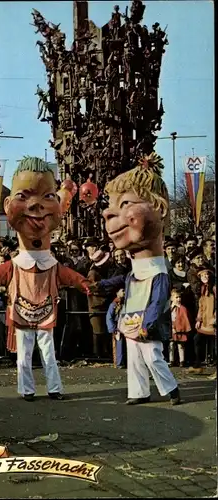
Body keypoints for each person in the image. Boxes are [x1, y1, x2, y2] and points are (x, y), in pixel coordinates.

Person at [0, 156, 92, 401]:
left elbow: (70, 276)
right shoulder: (14, 265)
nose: (36, 205)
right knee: (24, 354)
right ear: (9, 205)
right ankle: (28, 390)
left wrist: (84, 283)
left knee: (48, 353)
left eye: (47, 196)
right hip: (21, 312)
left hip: (45, 312)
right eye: (24, 196)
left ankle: (53, 389)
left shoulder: (51, 265)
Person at [95, 152, 181, 405]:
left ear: (159, 208)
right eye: (111, 205)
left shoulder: (159, 273)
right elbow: (123, 280)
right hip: (131, 319)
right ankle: (138, 392)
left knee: (153, 355)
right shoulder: (134, 271)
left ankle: (171, 389)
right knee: (133, 355)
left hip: (146, 323)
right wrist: (99, 285)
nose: (108, 213)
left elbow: (157, 301)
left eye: (125, 204)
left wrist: (150, 322)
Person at [191, 268, 216, 372]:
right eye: (203, 275)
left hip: (213, 319)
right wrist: (198, 320)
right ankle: (197, 364)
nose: (205, 277)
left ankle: (212, 363)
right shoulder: (202, 288)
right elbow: (201, 306)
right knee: (197, 339)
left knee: (213, 343)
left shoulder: (214, 288)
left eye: (207, 275)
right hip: (204, 321)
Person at [169, 288, 191, 367]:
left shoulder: (182, 308)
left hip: (179, 329)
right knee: (171, 345)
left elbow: (185, 319)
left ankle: (182, 361)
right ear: (172, 298)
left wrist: (178, 328)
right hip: (171, 328)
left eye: (179, 297)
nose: (178, 299)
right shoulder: (169, 308)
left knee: (180, 345)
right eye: (176, 297)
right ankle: (171, 360)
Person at [106, 288, 126, 368]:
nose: (124, 292)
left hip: (126, 325)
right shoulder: (114, 304)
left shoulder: (126, 303)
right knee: (119, 345)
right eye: (122, 291)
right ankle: (119, 363)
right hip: (118, 327)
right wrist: (113, 328)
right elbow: (109, 317)